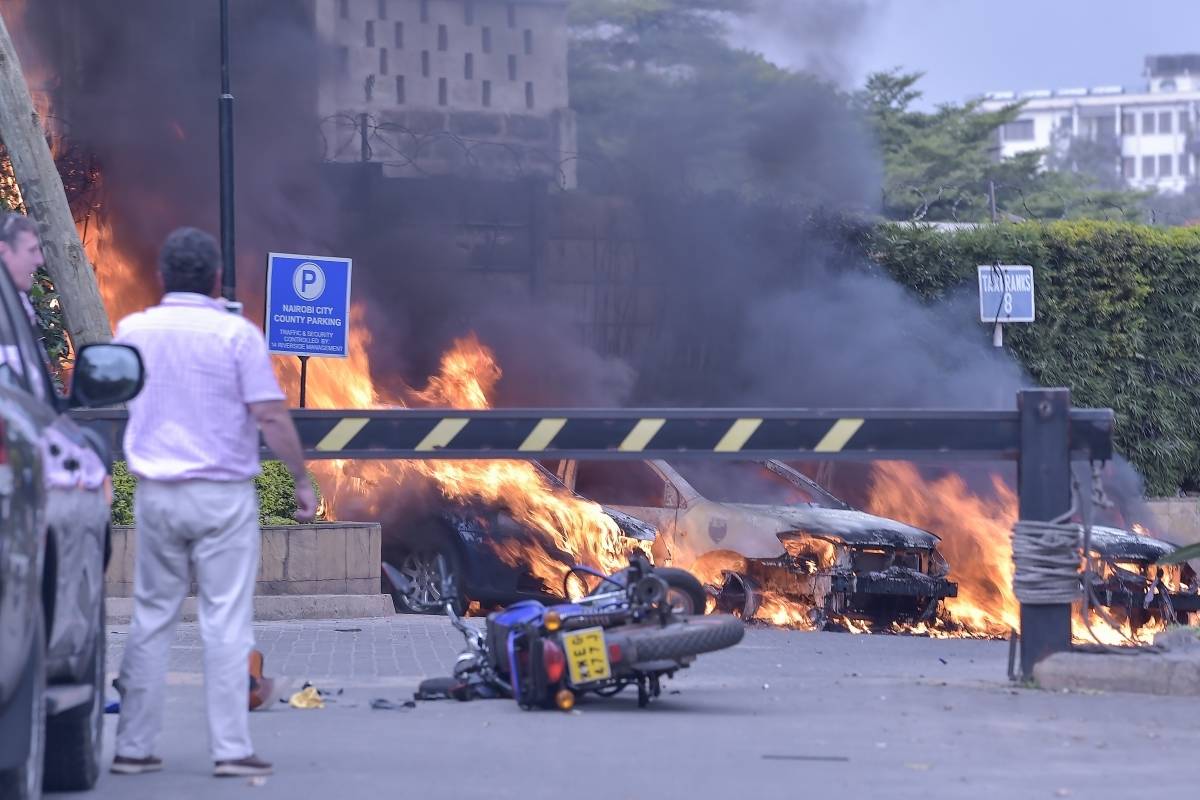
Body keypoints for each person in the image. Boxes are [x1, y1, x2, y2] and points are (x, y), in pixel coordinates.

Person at [110, 227, 317, 778]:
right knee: (225, 619)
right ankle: (229, 750)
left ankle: (132, 747)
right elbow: (271, 415)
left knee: (151, 618)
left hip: (157, 493)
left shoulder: (132, 329)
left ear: (161, 278)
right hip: (223, 496)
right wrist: (300, 479)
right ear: (217, 279)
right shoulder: (236, 335)